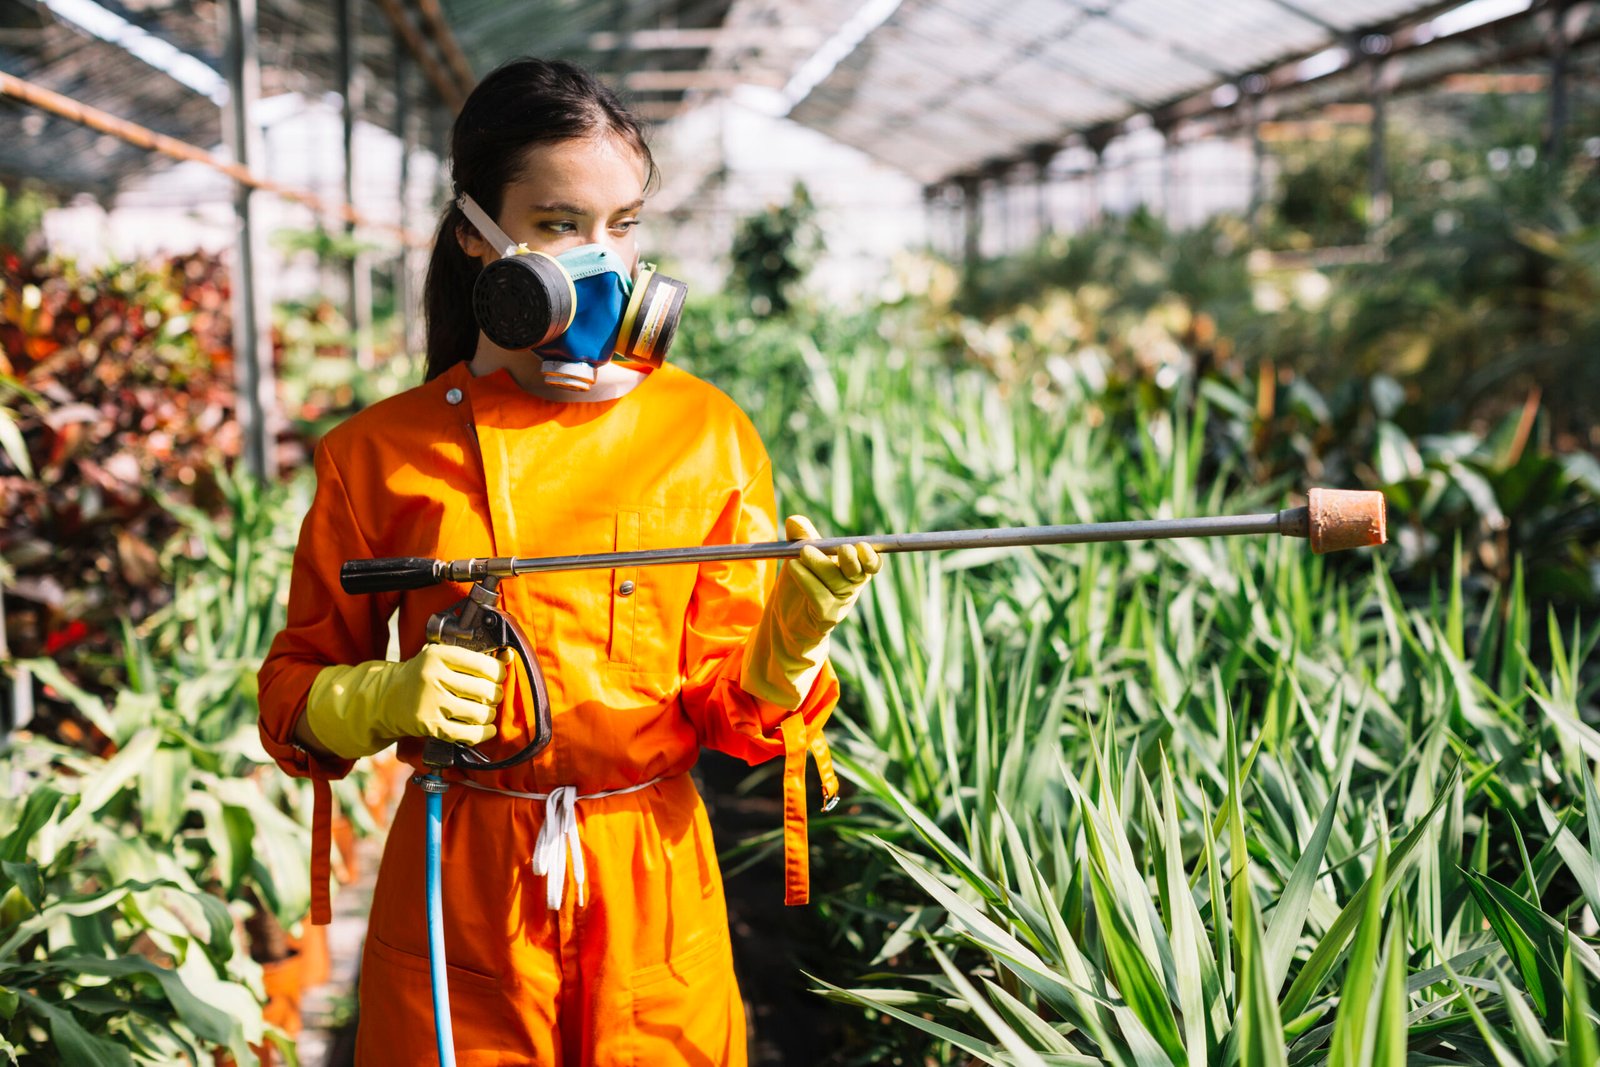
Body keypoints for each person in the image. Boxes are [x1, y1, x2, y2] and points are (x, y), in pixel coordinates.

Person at [255, 57, 879, 1065]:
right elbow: (290, 688)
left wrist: (793, 637)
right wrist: (374, 696)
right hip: (463, 881)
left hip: (651, 875)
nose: (604, 260)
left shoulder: (702, 432)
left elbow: (737, 713)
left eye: (622, 225)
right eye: (558, 225)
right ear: (476, 235)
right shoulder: (378, 451)